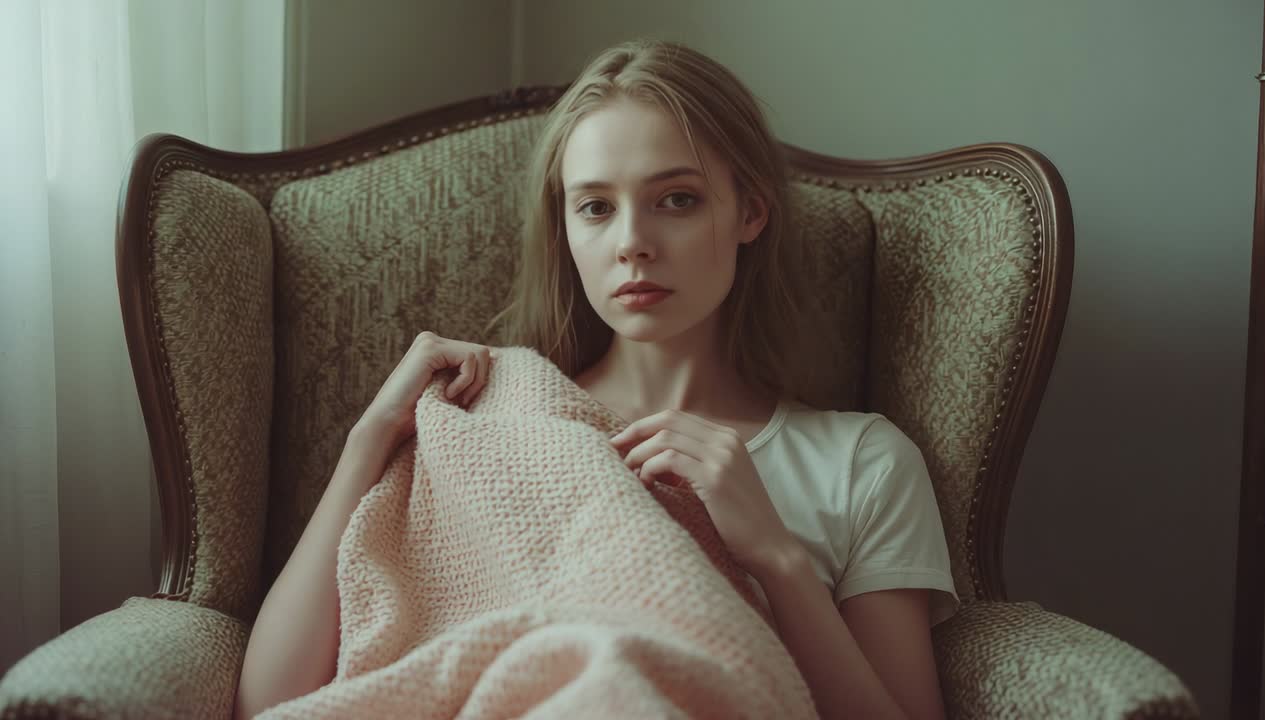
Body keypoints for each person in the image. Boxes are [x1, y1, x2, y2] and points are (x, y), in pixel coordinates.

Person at [235, 39, 958, 720]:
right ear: (568, 231)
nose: (632, 243)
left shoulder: (863, 462)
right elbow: (270, 698)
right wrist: (369, 444)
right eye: (596, 207)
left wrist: (775, 556)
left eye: (677, 199)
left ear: (751, 211)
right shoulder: (489, 420)